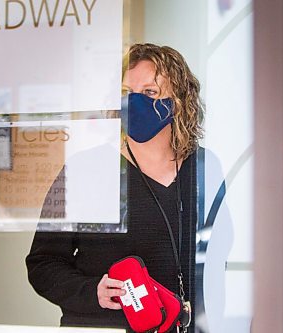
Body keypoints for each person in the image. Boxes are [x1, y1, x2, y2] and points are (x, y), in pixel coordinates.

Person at [26, 43, 204, 332]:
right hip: (101, 327)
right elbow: (43, 264)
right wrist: (91, 292)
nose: (134, 103)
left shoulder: (203, 170)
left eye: (150, 92)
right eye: (126, 93)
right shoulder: (85, 169)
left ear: (180, 101)